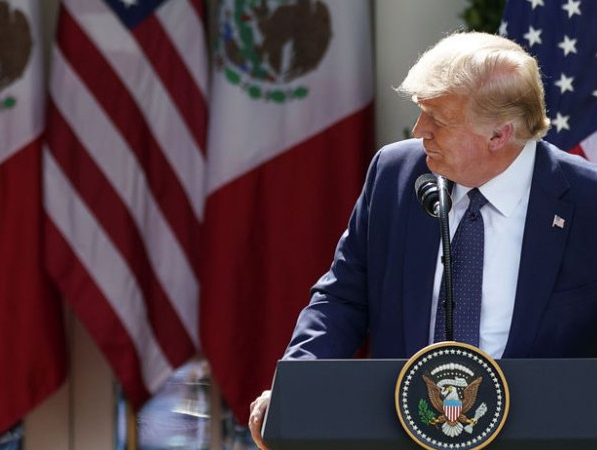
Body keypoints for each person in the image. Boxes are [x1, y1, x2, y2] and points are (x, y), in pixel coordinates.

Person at [247, 31, 597, 448]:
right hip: (400, 432)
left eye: (438, 120)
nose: (419, 130)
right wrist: (298, 387)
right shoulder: (396, 173)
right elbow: (343, 297)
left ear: (499, 136)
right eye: (420, 112)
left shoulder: (585, 202)